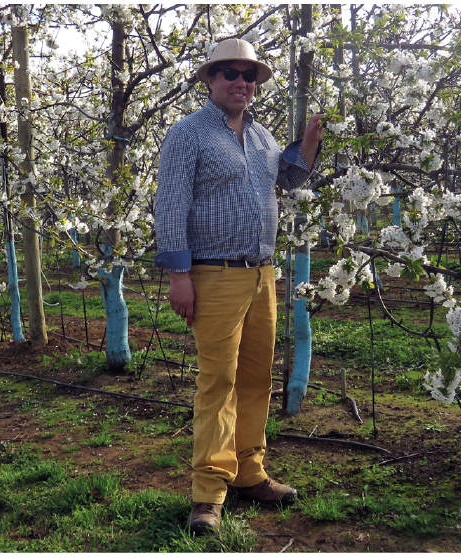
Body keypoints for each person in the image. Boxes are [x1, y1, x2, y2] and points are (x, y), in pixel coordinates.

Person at [154, 38, 324, 535]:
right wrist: (179, 275)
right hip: (214, 274)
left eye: (249, 75)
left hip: (260, 274)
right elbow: (170, 203)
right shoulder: (188, 134)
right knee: (217, 383)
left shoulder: (263, 137)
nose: (241, 83)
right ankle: (208, 492)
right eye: (230, 73)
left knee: (255, 380)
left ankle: (249, 472)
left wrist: (308, 144)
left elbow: (287, 181)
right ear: (210, 79)